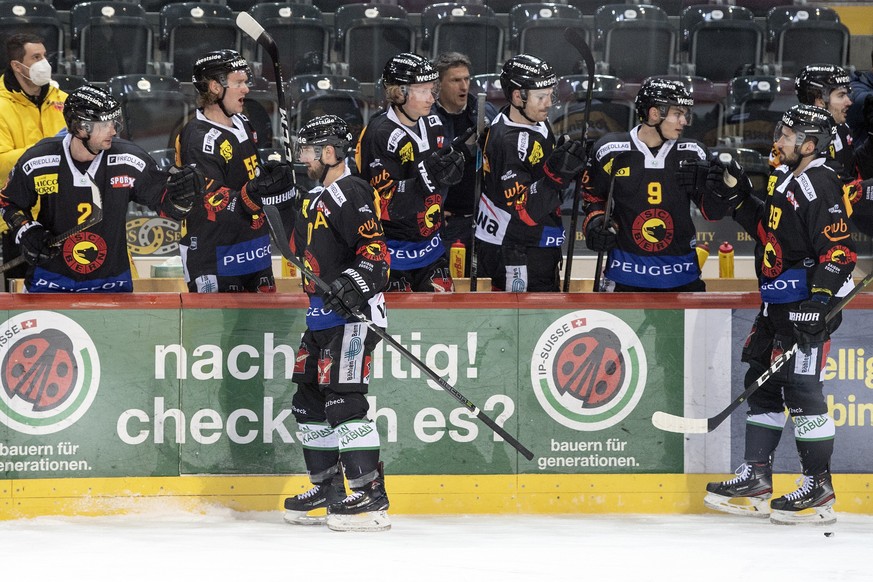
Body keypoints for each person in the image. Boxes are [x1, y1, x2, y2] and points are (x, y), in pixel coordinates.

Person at [704, 105, 856, 526]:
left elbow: (839, 252)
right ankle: (756, 477)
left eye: (788, 136)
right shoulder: (787, 176)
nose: (779, 141)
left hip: (805, 307)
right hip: (777, 304)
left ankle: (819, 487)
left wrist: (818, 303)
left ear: (810, 145)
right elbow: (769, 231)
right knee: (761, 380)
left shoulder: (819, 183)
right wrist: (738, 196)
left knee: (802, 389)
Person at [281, 115, 391, 532]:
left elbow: (376, 258)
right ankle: (329, 488)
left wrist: (351, 285)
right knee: (308, 400)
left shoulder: (351, 191)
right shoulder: (314, 197)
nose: (302, 158)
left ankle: (370, 496)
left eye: (308, 150)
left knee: (342, 401)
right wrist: (273, 201)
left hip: (354, 318)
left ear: (330, 153)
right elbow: (294, 253)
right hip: (321, 317)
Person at [0, 85, 202, 292]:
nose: (114, 130)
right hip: (49, 280)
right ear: (80, 127)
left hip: (111, 280)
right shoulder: (40, 159)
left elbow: (166, 205)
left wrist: (180, 198)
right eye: (105, 124)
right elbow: (8, 202)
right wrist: (26, 230)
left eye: (115, 122)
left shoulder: (129, 159)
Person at [580, 77, 746, 292]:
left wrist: (722, 191)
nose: (684, 121)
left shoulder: (693, 152)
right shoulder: (610, 149)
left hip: (682, 275)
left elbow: (711, 213)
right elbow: (592, 197)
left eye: (685, 114)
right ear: (654, 113)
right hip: (625, 274)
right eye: (677, 114)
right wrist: (595, 222)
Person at [176, 49, 296, 293]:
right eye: (239, 83)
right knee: (214, 331)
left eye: (246, 82)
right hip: (215, 255)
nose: (246, 89)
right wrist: (252, 194)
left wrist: (269, 179)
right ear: (215, 87)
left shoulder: (242, 122)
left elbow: (248, 177)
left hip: (254, 249)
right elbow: (210, 200)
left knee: (261, 330)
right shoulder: (200, 139)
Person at [474, 54, 585, 292]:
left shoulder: (535, 120)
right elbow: (523, 210)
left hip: (536, 246)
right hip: (515, 251)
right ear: (518, 96)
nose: (548, 103)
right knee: (518, 325)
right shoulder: (508, 141)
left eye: (550, 95)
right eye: (541, 97)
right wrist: (556, 177)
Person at [356, 52, 465, 293]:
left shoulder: (432, 121)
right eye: (423, 90)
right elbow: (383, 201)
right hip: (393, 252)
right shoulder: (380, 134)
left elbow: (438, 173)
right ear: (399, 92)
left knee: (445, 320)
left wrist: (450, 170)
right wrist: (428, 180)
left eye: (432, 89)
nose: (431, 97)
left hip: (433, 246)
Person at [0, 33, 67, 280]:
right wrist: (46, 149)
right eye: (36, 57)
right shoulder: (1, 105)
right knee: (23, 299)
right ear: (17, 65)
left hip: (63, 214)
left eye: (45, 56)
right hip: (19, 219)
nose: (44, 63)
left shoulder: (63, 100)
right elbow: (2, 161)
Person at [431, 52, 497, 277]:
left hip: (482, 219)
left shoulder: (484, 112)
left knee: (483, 285)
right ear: (438, 85)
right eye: (455, 80)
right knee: (448, 284)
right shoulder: (427, 118)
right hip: (447, 222)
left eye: (467, 79)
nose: (464, 86)